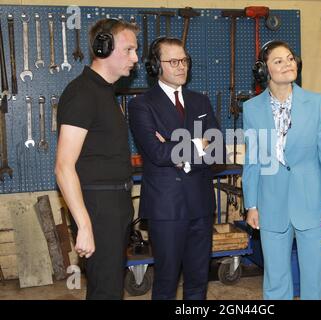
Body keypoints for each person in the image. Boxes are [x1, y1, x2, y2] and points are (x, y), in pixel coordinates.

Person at [242, 40, 321, 300]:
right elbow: (253, 159)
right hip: (270, 203)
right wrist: (251, 204)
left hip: (312, 203)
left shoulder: (316, 103)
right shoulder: (251, 109)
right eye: (279, 61)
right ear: (264, 71)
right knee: (275, 279)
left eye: (290, 58)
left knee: (316, 277)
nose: (288, 64)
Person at [128, 37, 221, 300]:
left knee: (198, 280)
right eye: (173, 61)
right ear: (157, 66)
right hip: (166, 208)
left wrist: (176, 148)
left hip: (201, 206)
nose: (182, 67)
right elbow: (156, 153)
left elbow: (216, 150)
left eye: (184, 60)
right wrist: (196, 144)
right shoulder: (140, 105)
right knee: (167, 281)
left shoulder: (200, 101)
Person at [55, 18, 139, 300]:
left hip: (114, 206)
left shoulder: (104, 92)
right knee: (106, 290)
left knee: (110, 287)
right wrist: (86, 226)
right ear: (103, 48)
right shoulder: (82, 94)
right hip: (99, 209)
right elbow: (63, 167)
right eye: (129, 50)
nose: (135, 58)